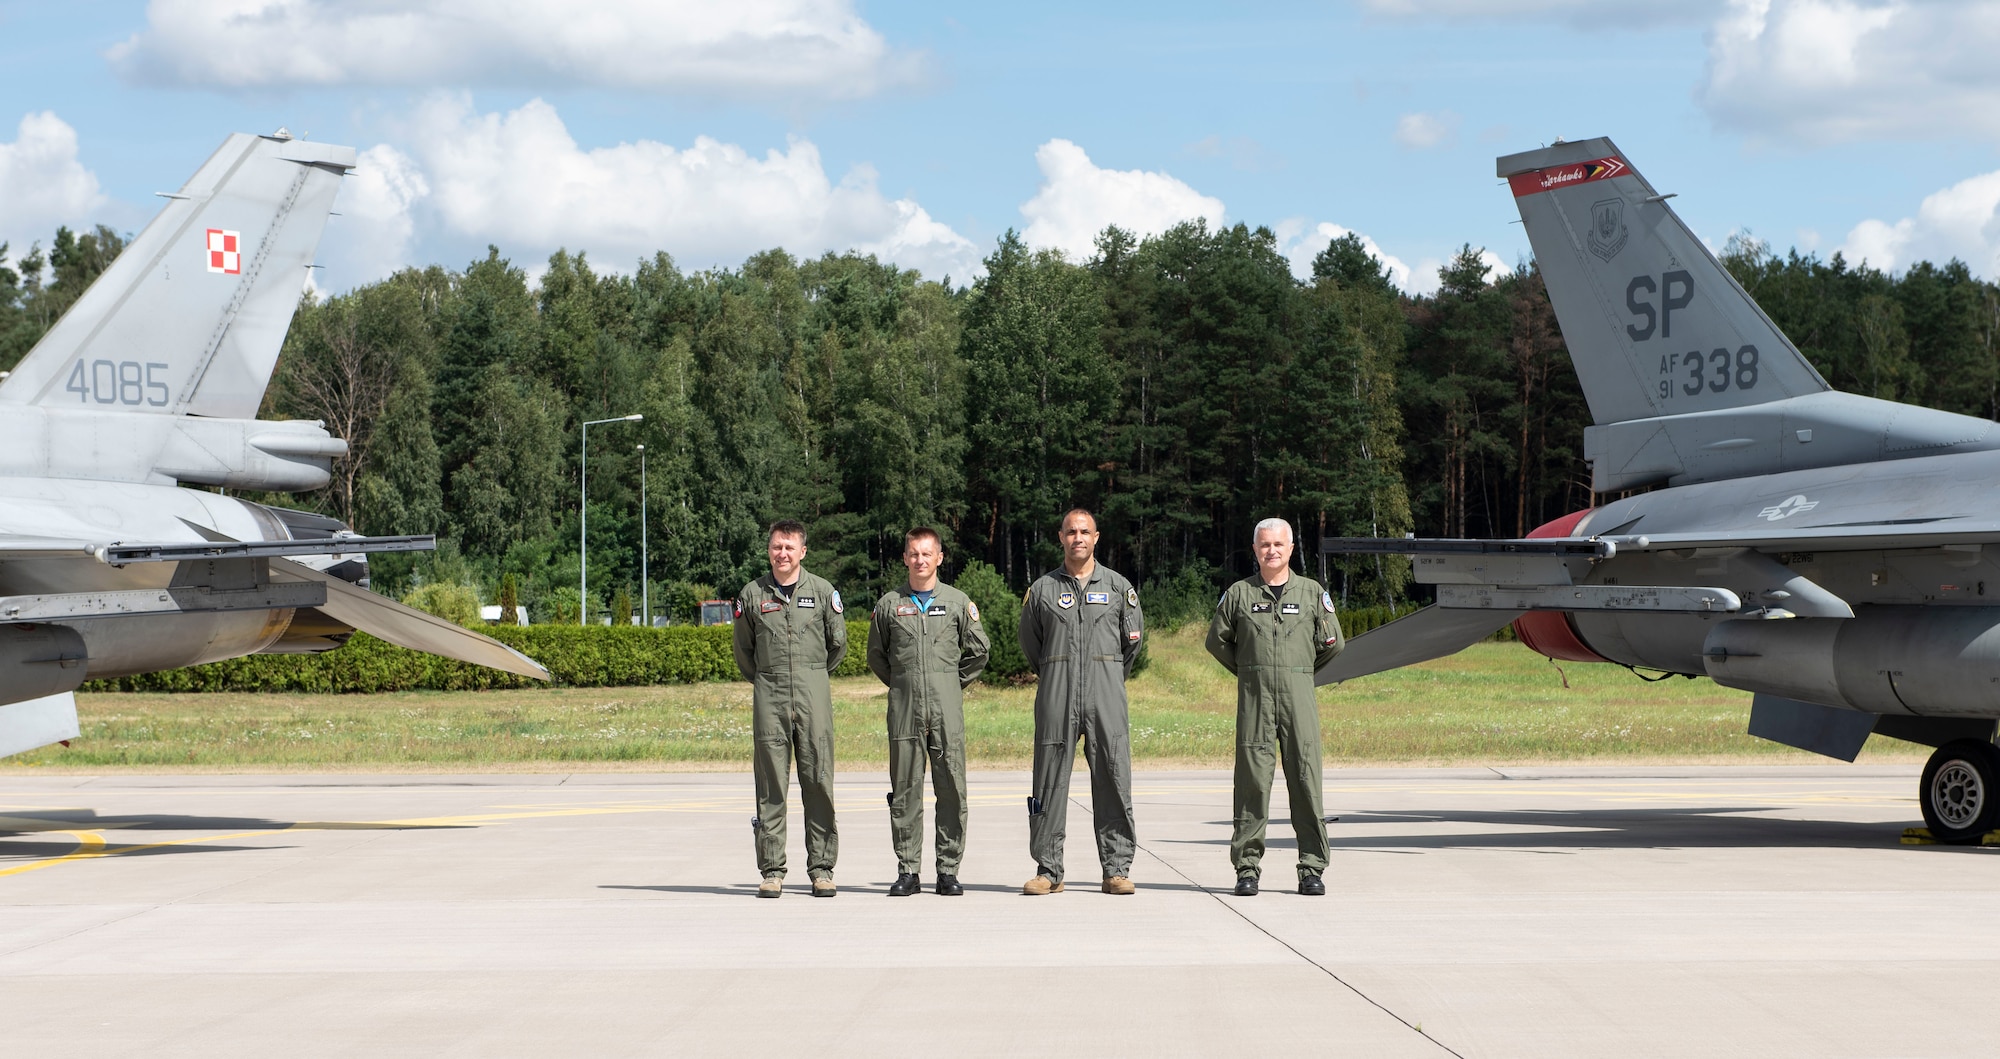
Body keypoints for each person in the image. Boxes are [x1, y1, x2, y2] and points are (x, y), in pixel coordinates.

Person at [1204, 517, 1344, 897]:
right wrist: (1250, 671)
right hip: (1255, 702)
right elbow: (1217, 641)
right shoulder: (1238, 594)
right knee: (1252, 786)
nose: (1272, 550)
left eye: (1279, 544)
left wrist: (1300, 672)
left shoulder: (1313, 593)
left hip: (1299, 702)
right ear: (1255, 550)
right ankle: (1247, 869)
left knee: (1306, 783)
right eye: (1265, 545)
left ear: (1291, 549)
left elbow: (1334, 642)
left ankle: (1312, 869)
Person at [1017, 508, 1145, 895]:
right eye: (1071, 532)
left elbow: (1132, 645)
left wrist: (1105, 676)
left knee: (1113, 778)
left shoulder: (1120, 587)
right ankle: (1048, 869)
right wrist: (1058, 672)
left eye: (1084, 531)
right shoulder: (1042, 590)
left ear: (1096, 537)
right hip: (1057, 694)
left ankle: (1116, 869)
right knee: (1049, 780)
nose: (1078, 538)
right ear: (1061, 537)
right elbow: (1031, 644)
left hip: (1106, 696)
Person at [866, 527, 991, 897]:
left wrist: (951, 683)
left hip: (946, 710)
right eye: (913, 554)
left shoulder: (956, 602)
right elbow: (877, 655)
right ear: (905, 559)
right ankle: (908, 870)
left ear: (939, 557)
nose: (920, 560)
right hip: (905, 710)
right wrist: (903, 684)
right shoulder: (890, 604)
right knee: (905, 790)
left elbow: (979, 651)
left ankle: (948, 870)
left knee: (951, 787)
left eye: (927, 554)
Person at [733, 519, 848, 898]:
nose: (782, 553)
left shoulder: (823, 591)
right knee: (771, 785)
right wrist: (770, 680)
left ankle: (822, 868)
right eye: (776, 547)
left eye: (789, 547)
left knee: (818, 780)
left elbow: (838, 645)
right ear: (769, 550)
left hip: (814, 691)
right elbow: (743, 652)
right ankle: (771, 870)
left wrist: (811, 678)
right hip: (770, 692)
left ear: (802, 552)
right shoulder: (752, 594)